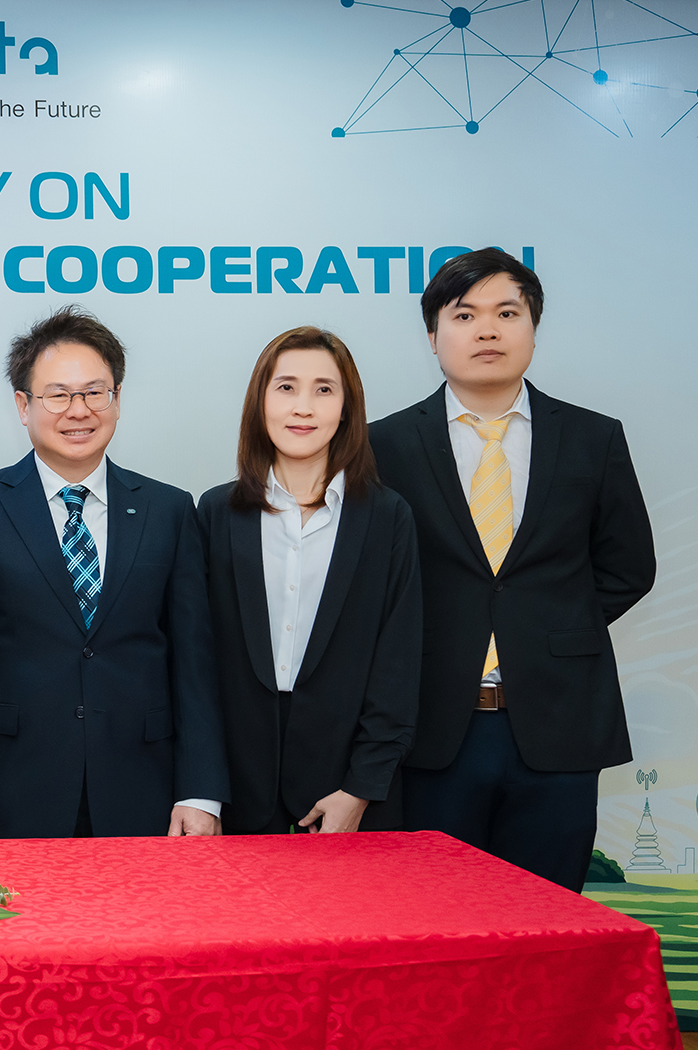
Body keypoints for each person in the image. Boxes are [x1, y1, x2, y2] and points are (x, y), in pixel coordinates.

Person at [370, 249, 654, 891]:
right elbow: (371, 581)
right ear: (433, 336)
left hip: (558, 722)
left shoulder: (593, 438)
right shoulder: (383, 445)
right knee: (435, 916)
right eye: (464, 315)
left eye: (507, 313)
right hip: (430, 727)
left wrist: (543, 626)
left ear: (533, 327)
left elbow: (629, 566)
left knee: (548, 915)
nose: (487, 330)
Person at [0, 305, 227, 840]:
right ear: (24, 405)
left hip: (146, 790)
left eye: (94, 392)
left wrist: (200, 790)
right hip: (7, 789)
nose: (79, 411)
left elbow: (195, 663)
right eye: (58, 395)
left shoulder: (169, 510)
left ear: (117, 399)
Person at [196, 327, 421, 835]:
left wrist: (361, 788)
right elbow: (196, 663)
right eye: (286, 387)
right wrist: (204, 788)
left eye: (324, 389)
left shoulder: (387, 517)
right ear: (260, 403)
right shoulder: (216, 513)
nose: (303, 407)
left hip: (345, 795)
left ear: (346, 408)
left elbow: (398, 665)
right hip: (234, 793)